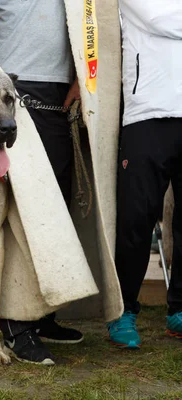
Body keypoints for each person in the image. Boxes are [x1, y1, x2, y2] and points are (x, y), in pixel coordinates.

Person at [0, 1, 85, 365]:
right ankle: (13, 321)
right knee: (22, 211)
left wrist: (80, 79)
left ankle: (41, 312)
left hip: (58, 91)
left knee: (56, 208)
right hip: (11, 88)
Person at [107, 0, 182, 348]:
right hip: (147, 112)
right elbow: (157, 17)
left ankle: (178, 310)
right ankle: (123, 311)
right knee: (137, 218)